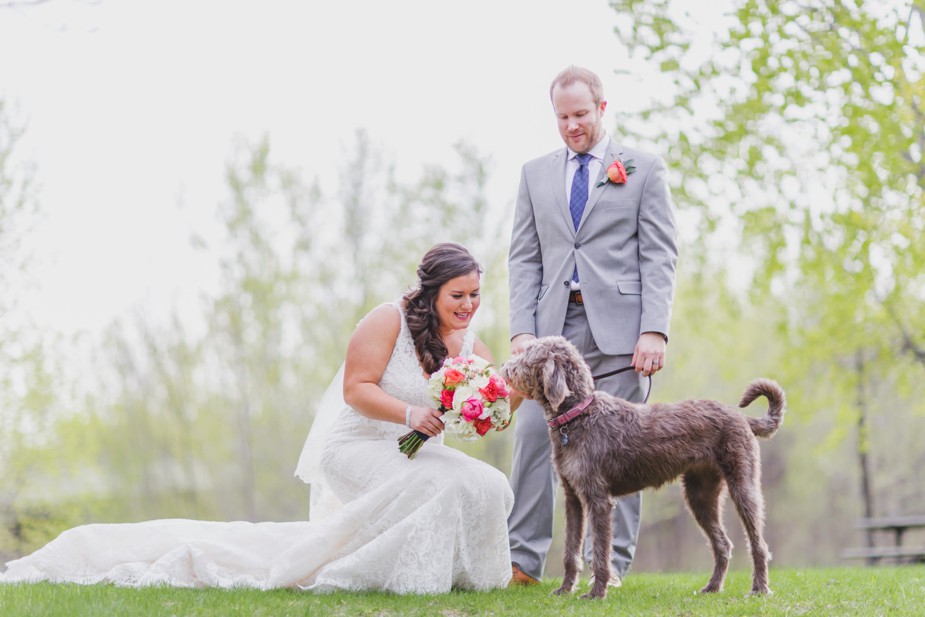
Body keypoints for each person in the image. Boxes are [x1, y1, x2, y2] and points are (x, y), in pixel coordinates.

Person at [0, 243, 514, 593]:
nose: (468, 305)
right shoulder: (389, 320)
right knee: (436, 484)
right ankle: (405, 580)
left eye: (475, 295)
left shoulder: (472, 346)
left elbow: (486, 406)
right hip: (357, 445)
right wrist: (411, 412)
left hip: (414, 450)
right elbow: (354, 390)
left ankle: (469, 578)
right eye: (457, 296)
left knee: (487, 481)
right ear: (432, 291)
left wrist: (490, 410)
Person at [507, 65, 678, 586]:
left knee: (625, 448)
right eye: (562, 117)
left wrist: (655, 329)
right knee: (534, 438)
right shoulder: (535, 174)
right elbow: (524, 258)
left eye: (580, 114)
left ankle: (613, 567)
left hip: (624, 334)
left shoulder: (643, 169)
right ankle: (522, 562)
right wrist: (522, 330)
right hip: (552, 336)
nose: (571, 125)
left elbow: (660, 254)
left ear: (602, 109)